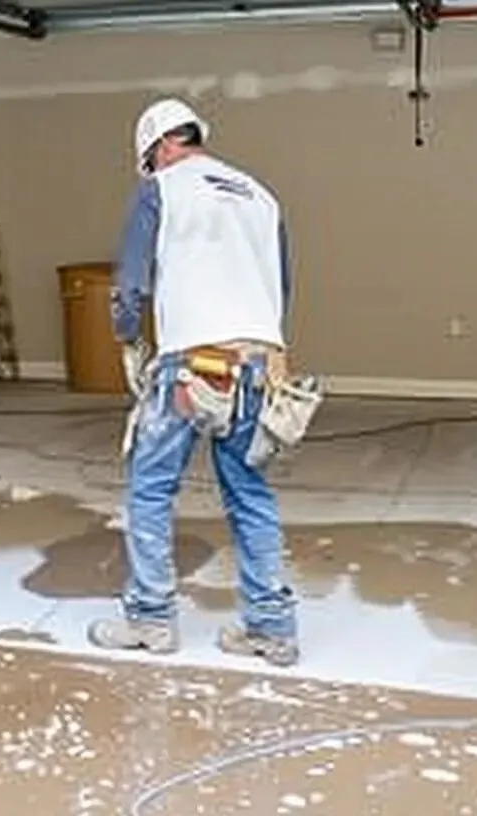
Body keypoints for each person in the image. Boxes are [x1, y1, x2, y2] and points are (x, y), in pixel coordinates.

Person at [86, 97, 300, 668]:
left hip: (193, 363)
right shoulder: (262, 196)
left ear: (158, 148)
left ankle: (150, 619)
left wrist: (130, 337)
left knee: (151, 486)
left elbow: (131, 280)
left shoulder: (163, 188)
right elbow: (282, 286)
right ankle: (271, 629)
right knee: (249, 493)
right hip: (259, 361)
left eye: (150, 161)